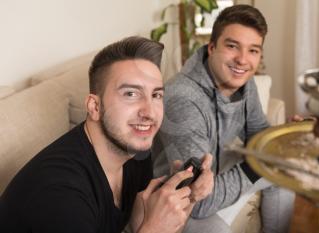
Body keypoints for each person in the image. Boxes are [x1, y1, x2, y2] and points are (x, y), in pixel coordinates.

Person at [0, 36, 213, 233]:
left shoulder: (136, 151)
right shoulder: (61, 195)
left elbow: (138, 224)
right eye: (131, 94)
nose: (149, 112)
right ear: (94, 106)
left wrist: (188, 197)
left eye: (156, 95)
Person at [152, 4, 295, 233]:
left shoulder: (243, 81)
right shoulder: (182, 99)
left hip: (216, 169)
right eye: (232, 46)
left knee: (283, 171)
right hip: (173, 196)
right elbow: (197, 201)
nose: (242, 60)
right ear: (211, 47)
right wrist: (257, 167)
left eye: (253, 50)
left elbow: (258, 132)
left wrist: (286, 136)